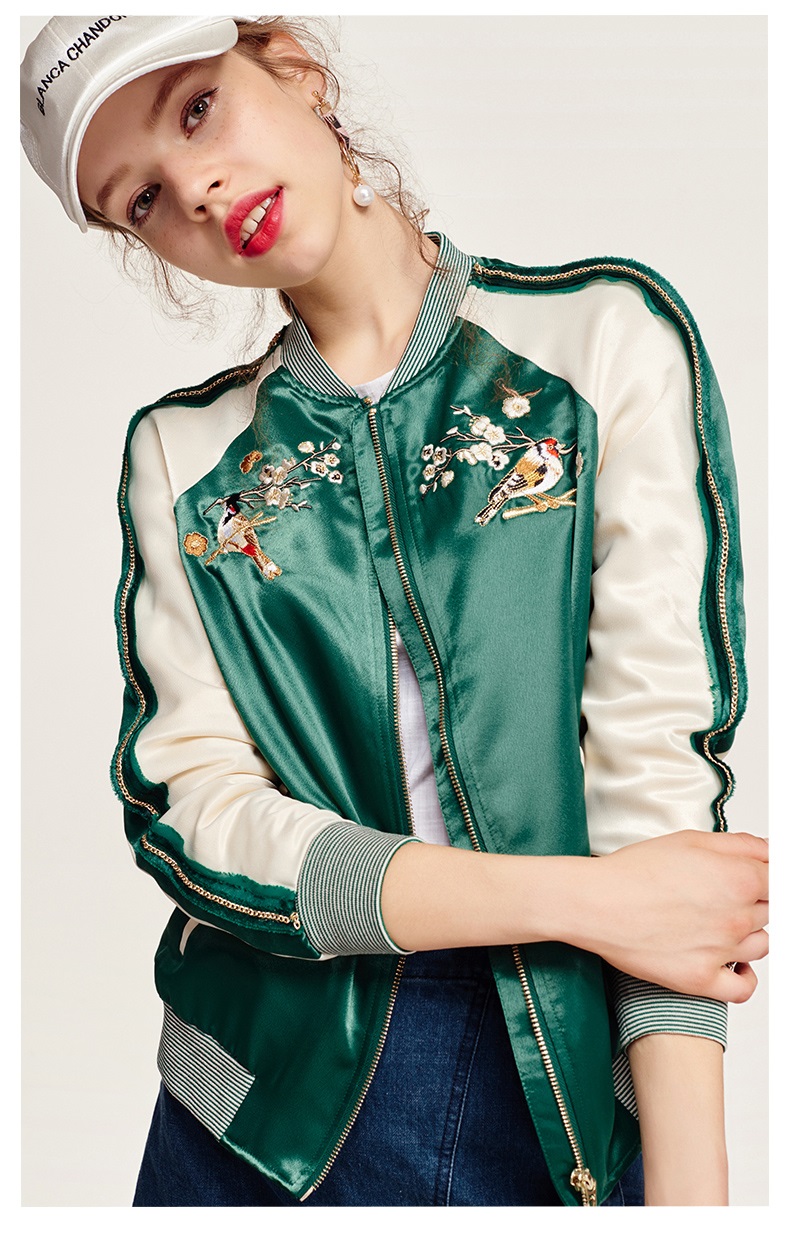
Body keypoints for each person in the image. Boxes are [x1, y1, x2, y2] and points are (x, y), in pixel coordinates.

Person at [20, 15, 768, 1209]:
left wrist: (694, 1198)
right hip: (255, 1107)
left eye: (197, 110)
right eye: (143, 199)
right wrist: (577, 899)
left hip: (549, 1057)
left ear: (294, 70)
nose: (196, 190)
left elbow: (658, 795)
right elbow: (197, 811)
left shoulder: (599, 342)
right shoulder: (183, 457)